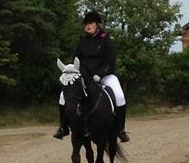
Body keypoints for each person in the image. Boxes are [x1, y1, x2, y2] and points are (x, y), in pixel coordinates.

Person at [52, 10, 130, 141]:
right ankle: (63, 128)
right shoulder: (82, 41)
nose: (87, 26)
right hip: (84, 77)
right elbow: (76, 59)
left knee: (119, 96)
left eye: (90, 23)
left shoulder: (106, 40)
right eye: (85, 24)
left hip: (105, 75)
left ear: (96, 25)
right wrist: (73, 71)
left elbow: (110, 61)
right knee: (62, 97)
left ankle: (120, 129)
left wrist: (100, 74)